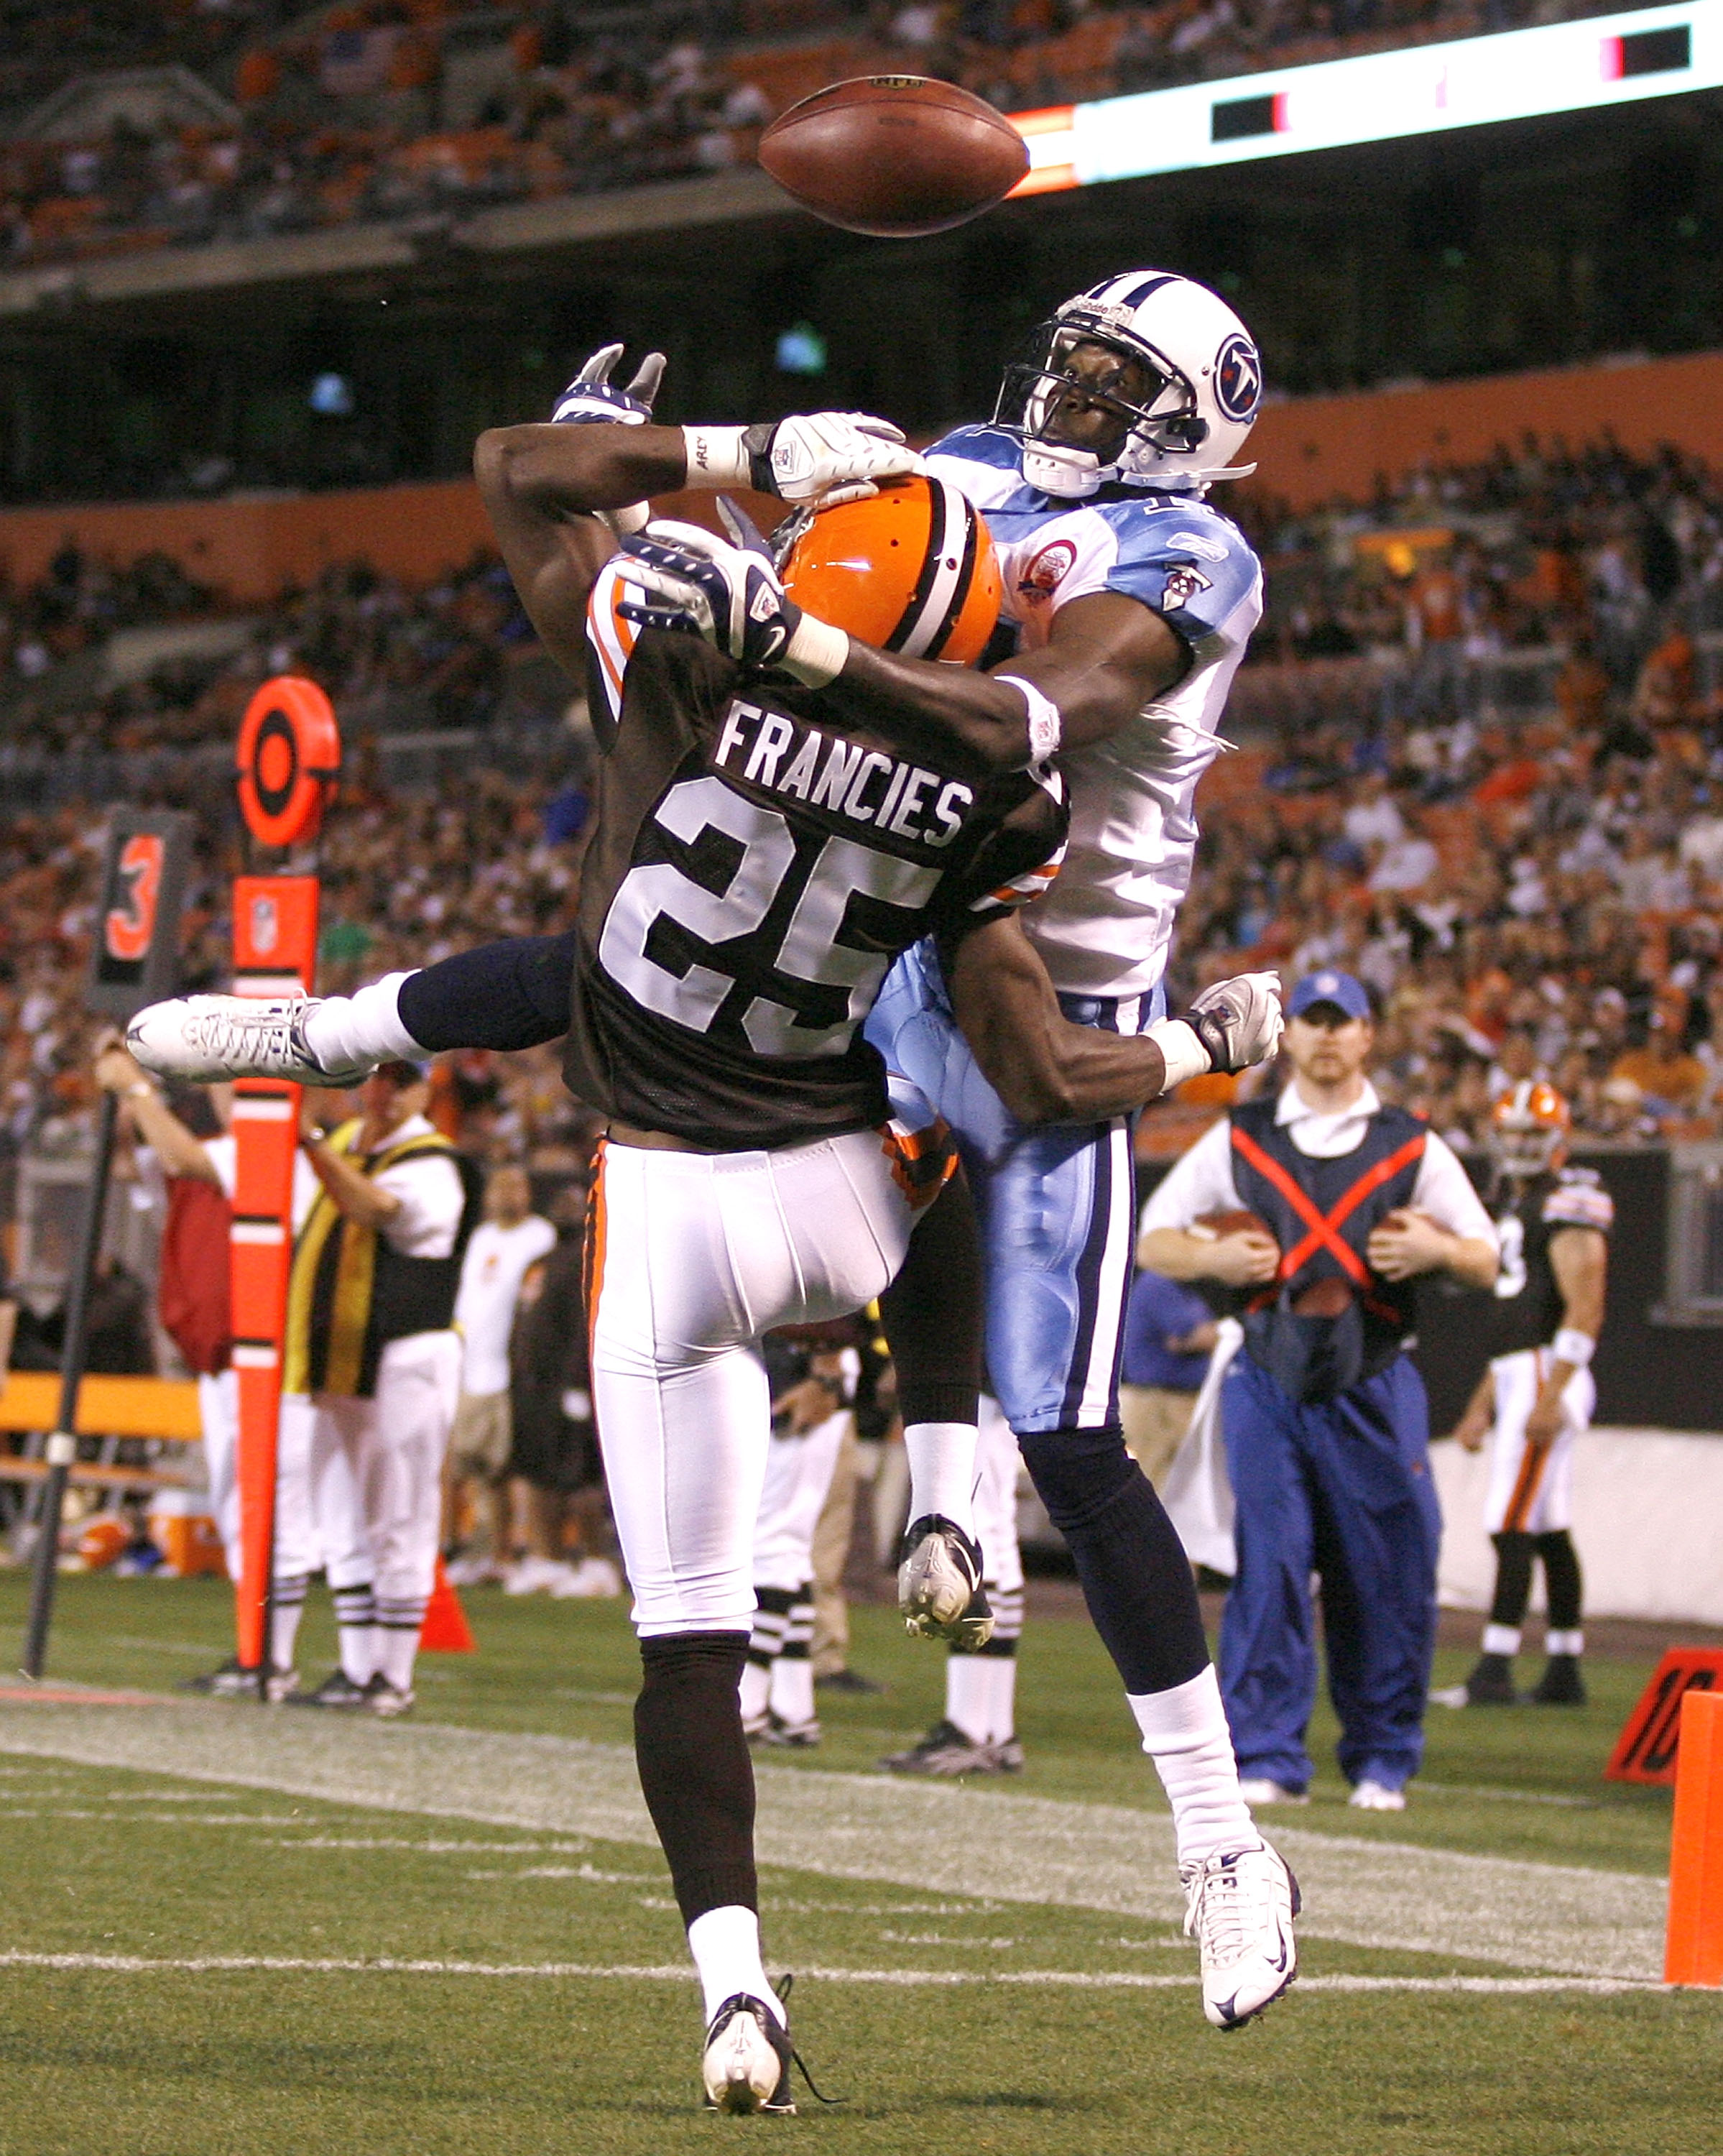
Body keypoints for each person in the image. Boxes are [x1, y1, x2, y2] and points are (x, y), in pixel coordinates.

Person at [125, 364, 1285, 2103]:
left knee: (682, 1631)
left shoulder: (663, 677)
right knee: (966, 1131)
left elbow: (525, 477)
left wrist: (698, 463)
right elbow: (1040, 1067)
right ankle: (953, 1478)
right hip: (837, 1205)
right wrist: (1201, 1040)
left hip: (662, 1210)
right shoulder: (992, 815)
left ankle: (733, 1988)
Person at [1139, 969, 1499, 1812]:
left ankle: (1381, 1758)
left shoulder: (1411, 1144)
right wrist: (1212, 1259)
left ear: (1368, 1036)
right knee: (1269, 1563)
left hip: (1374, 1379)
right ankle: (1264, 1752)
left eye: (1344, 1023)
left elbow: (1484, 1257)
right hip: (1265, 1380)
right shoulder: (1242, 1136)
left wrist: (1439, 1252)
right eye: (1312, 1021)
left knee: (1387, 1571)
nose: (1328, 1037)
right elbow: (1154, 1241)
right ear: (1288, 1035)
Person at [90, 1038, 327, 1698]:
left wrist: (136, 1088)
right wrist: (124, 1088)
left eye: (237, 1082)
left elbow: (179, 1155)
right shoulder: (231, 1155)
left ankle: (272, 1660)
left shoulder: (280, 1151)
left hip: (277, 1363)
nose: (223, 1093)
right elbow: (155, 1163)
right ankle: (260, 1655)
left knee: (273, 1509)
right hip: (227, 1360)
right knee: (244, 1507)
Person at [286, 1059, 482, 1715]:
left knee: (401, 1511)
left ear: (423, 1089)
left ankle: (392, 1676)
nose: (381, 1092)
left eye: (398, 1081)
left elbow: (373, 1208)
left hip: (406, 1352)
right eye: (374, 1078)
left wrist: (312, 1139)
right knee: (342, 1508)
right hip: (342, 1356)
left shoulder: (435, 1162)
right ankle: (356, 1665)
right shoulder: (350, 1143)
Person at [1452, 1081, 1610, 1707]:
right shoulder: (1519, 1203)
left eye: (1529, 1133)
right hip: (1524, 1368)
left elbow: (1586, 1304)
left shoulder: (1571, 1199)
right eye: (1510, 1132)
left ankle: (1494, 1668)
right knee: (1546, 1525)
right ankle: (1565, 1669)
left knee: (1509, 1519)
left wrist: (1554, 1391)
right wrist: (1481, 1403)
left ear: (1556, 1138)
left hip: (1549, 1369)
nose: (1518, 1145)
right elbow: (1517, 1321)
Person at [882, 1388, 1025, 1776]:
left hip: (982, 1389)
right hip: (1002, 1386)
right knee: (995, 1534)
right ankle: (995, 1731)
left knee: (975, 1531)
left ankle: (970, 1728)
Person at [445, 1162, 555, 1586]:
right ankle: (484, 1550)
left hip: (511, 1369)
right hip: (472, 1366)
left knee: (508, 1465)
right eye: (501, 1186)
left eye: (517, 1186)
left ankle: (513, 1551)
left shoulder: (538, 1236)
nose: (509, 1194)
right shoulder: (482, 1237)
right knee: (473, 1467)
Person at [505, 1195, 619, 1598]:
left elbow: (584, 1326)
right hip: (535, 1388)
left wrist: (578, 1383)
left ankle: (597, 1561)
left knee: (582, 1476)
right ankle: (548, 1558)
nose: (566, 1212)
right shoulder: (544, 1260)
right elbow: (522, 1323)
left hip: (570, 1386)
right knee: (539, 1473)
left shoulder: (590, 1259)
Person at [1119, 1266, 1218, 1491]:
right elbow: (1202, 1336)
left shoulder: (1184, 1287)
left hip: (1174, 1400)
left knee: (1185, 1490)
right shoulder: (1159, 1283)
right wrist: (1231, 1333)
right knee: (1158, 1486)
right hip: (1158, 1402)